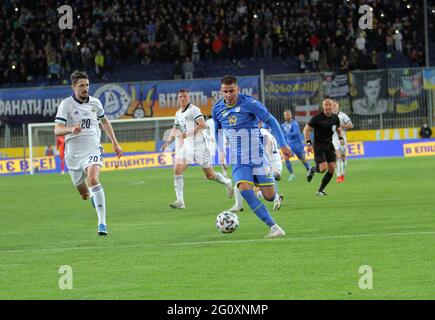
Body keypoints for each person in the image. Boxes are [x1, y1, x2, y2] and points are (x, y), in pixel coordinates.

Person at [213, 75, 292, 238]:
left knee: (269, 196)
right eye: (225, 91)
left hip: (257, 155)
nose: (229, 95)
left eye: (232, 91)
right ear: (221, 92)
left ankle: (265, 181)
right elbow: (217, 130)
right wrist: (220, 151)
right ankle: (274, 227)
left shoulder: (250, 103)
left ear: (238, 90)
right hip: (238, 159)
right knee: (244, 189)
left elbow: (272, 121)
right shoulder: (217, 109)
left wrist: (283, 144)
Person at [54, 71, 123, 236]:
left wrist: (115, 143)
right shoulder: (66, 105)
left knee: (93, 179)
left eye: (87, 85)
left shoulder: (95, 103)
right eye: (81, 86)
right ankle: (92, 196)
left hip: (92, 148)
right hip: (73, 155)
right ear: (73, 87)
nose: (85, 89)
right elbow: (57, 130)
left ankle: (102, 223)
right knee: (85, 194)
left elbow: (105, 121)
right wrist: (71, 128)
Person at [160, 89, 233, 209]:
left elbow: (203, 125)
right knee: (177, 170)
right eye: (180, 97)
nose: (182, 98)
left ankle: (227, 182)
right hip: (187, 146)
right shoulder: (178, 113)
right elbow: (175, 128)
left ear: (188, 98)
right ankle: (180, 201)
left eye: (184, 96)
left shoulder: (194, 109)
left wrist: (187, 133)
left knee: (210, 175)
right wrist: (167, 142)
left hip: (200, 146)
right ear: (178, 99)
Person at [230, 120, 284, 212]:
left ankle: (238, 206)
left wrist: (268, 165)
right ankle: (276, 197)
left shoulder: (262, 133)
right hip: (275, 166)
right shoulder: (263, 132)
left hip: (270, 167)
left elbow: (268, 146)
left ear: (259, 124)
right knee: (256, 190)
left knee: (241, 182)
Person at [304, 98, 344, 196]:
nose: (328, 107)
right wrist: (309, 144)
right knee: (323, 169)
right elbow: (306, 130)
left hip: (329, 145)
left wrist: (341, 138)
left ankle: (320, 190)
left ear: (332, 106)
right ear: (323, 106)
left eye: (329, 105)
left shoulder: (335, 118)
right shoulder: (317, 118)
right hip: (319, 146)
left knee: (332, 168)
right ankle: (312, 169)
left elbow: (338, 129)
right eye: (326, 105)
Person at [281, 110, 311, 181]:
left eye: (287, 115)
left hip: (297, 145)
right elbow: (283, 136)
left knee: (303, 159)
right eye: (285, 115)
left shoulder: (295, 123)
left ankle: (309, 169)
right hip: (289, 146)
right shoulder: (283, 125)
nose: (286, 116)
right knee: (286, 158)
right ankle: (292, 174)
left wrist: (285, 134)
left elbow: (296, 133)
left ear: (291, 115)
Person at [332, 101, 353, 183]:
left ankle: (342, 174)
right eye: (332, 106)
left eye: (335, 106)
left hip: (342, 138)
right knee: (337, 157)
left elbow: (351, 125)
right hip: (334, 139)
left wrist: (341, 125)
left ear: (338, 107)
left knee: (343, 157)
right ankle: (338, 176)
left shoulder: (342, 115)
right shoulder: (329, 116)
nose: (333, 107)